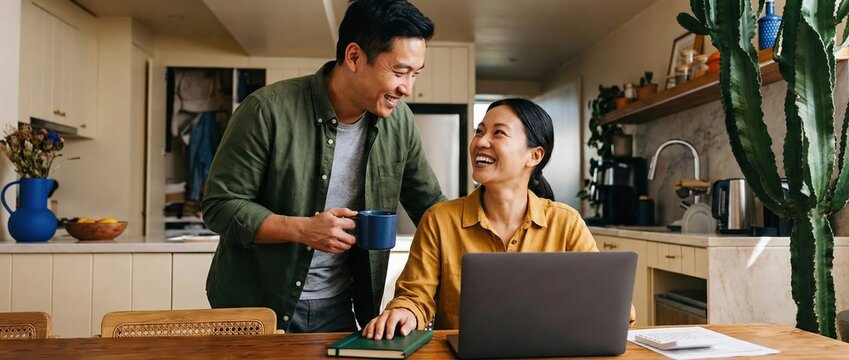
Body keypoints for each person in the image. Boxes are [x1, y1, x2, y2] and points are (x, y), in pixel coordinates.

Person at [202, 0, 445, 333]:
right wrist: (302, 229)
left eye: (415, 74)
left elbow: (431, 209)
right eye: (400, 72)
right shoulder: (266, 110)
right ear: (354, 57)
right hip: (255, 306)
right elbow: (220, 206)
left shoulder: (399, 122)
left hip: (339, 308)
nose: (408, 88)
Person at [363, 98, 636, 340]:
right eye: (479, 131)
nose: (481, 142)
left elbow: (606, 300)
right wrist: (405, 312)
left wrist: (612, 306)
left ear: (535, 155)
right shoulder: (439, 220)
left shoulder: (566, 223)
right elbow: (415, 297)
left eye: (499, 133)